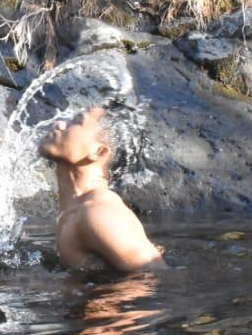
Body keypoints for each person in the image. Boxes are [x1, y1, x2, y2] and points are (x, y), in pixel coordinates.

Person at [38, 106, 167, 272]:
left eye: (77, 122)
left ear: (98, 151)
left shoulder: (96, 212)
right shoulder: (77, 208)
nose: (60, 124)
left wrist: (104, 299)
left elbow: (157, 275)